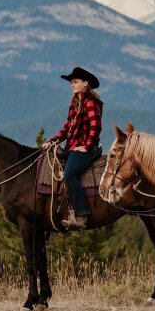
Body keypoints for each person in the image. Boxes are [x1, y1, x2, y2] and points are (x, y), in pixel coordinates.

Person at [43, 67, 103, 231]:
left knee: (70, 174)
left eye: (75, 82)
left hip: (85, 149)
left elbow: (96, 126)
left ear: (85, 83)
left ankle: (81, 214)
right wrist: (53, 140)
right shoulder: (75, 103)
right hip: (73, 147)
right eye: (71, 82)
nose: (72, 85)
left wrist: (88, 146)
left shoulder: (91, 102)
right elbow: (66, 128)